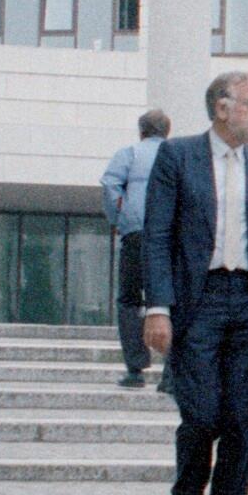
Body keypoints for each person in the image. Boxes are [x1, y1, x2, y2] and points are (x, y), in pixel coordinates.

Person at [141, 71, 248, 495]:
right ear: (222, 107)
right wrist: (158, 307)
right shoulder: (177, 157)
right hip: (198, 302)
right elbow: (157, 235)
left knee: (241, 425)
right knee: (201, 417)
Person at [101, 110, 169, 388]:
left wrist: (118, 218)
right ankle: (172, 372)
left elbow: (110, 185)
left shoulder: (129, 153)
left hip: (136, 232)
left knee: (129, 300)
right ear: (167, 132)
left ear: (141, 131)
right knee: (172, 301)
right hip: (170, 235)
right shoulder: (178, 154)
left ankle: (135, 369)